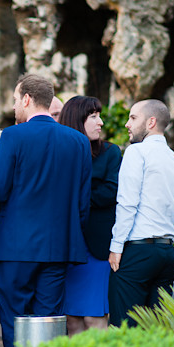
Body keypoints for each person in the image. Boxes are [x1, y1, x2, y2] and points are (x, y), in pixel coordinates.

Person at [0, 74, 92, 347]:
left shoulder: (12, 136)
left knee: (14, 324)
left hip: (16, 248)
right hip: (59, 247)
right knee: (48, 324)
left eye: (14, 100)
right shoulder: (79, 141)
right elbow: (83, 203)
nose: (14, 107)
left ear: (27, 99)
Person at [107, 99, 174, 327]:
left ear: (151, 122)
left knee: (125, 331)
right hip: (166, 256)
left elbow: (127, 204)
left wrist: (116, 246)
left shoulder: (136, 152)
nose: (127, 124)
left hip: (137, 254)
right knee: (155, 331)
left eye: (133, 118)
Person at [58, 96, 122, 334]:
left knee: (94, 319)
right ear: (77, 119)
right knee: (71, 320)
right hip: (66, 247)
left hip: (97, 249)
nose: (101, 122)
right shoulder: (61, 151)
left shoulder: (111, 153)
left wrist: (75, 197)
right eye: (94, 117)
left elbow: (111, 191)